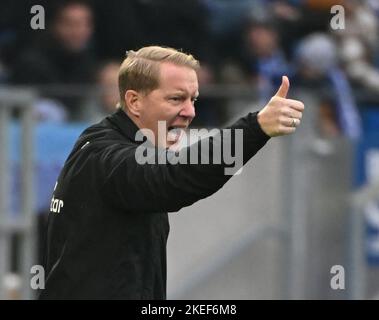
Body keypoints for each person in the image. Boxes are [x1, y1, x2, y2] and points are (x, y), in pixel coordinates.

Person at [39, 46, 304, 299]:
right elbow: (175, 178)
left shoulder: (104, 143)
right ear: (133, 101)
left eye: (193, 99)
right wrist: (255, 128)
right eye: (176, 98)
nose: (189, 112)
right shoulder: (105, 157)